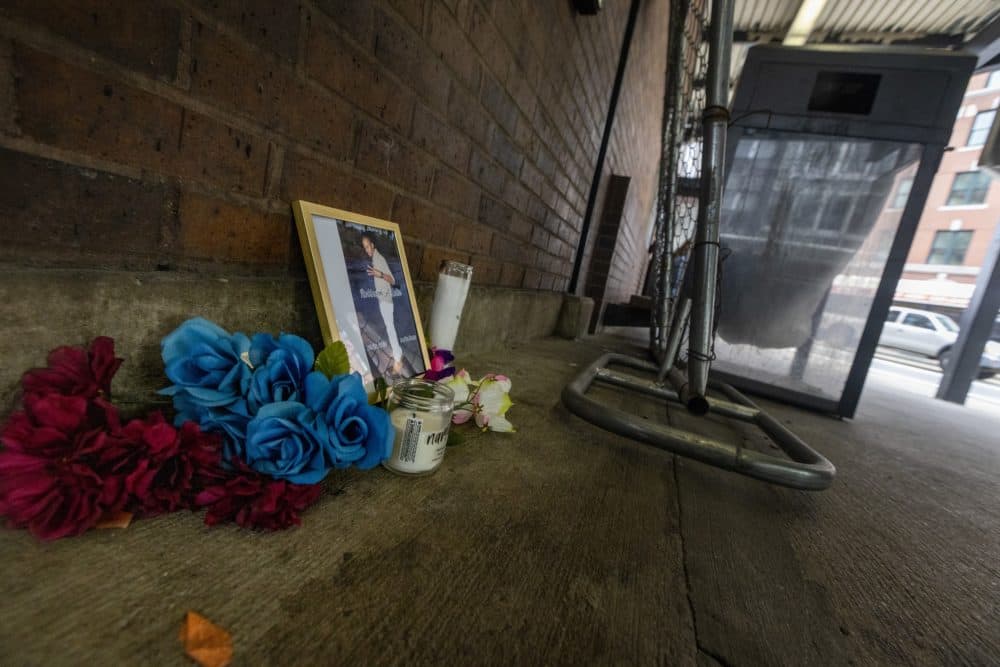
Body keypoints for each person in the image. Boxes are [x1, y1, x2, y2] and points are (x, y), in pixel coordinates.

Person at [362, 232, 403, 374]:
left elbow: (392, 280)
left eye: (368, 246)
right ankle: (398, 355)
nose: (367, 250)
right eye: (365, 247)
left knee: (391, 329)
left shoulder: (379, 259)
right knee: (389, 327)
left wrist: (378, 274)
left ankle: (398, 360)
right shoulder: (375, 258)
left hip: (386, 301)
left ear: (373, 245)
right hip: (383, 300)